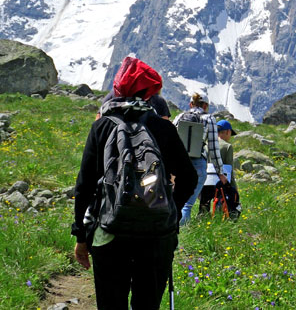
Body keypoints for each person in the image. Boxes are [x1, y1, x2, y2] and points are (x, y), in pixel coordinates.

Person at [71, 56, 196, 310]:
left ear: (118, 89)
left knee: (111, 305)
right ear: (149, 93)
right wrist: (171, 211)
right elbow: (189, 177)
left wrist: (80, 236)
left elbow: (84, 186)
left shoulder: (102, 127)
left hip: (110, 232)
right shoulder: (164, 129)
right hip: (157, 235)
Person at [173, 93, 227, 226]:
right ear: (206, 106)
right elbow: (213, 148)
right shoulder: (209, 118)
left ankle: (171, 231)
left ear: (191, 104)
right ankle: (182, 232)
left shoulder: (180, 117)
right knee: (187, 204)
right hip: (198, 162)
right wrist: (220, 172)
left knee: (175, 201)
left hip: (178, 163)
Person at [198, 119, 237, 217]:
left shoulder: (206, 145)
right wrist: (233, 187)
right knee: (220, 205)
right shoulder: (227, 146)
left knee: (204, 205)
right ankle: (218, 220)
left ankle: (201, 220)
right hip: (220, 181)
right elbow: (229, 169)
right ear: (228, 131)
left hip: (206, 179)